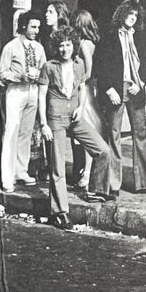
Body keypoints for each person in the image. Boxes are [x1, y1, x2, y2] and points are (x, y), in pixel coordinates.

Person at [37, 26, 114, 229]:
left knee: (103, 150)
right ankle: (59, 213)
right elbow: (41, 96)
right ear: (56, 47)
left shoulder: (79, 64)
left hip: (75, 117)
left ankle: (96, 191)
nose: (65, 49)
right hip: (55, 118)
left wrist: (81, 107)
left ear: (74, 45)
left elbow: (81, 88)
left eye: (68, 44)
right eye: (61, 45)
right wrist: (43, 124)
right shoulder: (49, 66)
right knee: (58, 167)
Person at [93, 1, 146, 198]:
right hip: (116, 88)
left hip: (135, 88)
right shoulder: (109, 37)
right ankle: (113, 184)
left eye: (136, 15)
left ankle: (144, 181)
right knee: (114, 134)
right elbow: (100, 64)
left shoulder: (139, 37)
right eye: (130, 14)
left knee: (141, 133)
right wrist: (109, 89)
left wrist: (141, 83)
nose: (132, 18)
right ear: (121, 14)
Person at [0, 10, 45, 193]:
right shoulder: (11, 47)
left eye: (38, 27)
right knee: (11, 133)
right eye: (33, 27)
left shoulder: (39, 48)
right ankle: (7, 178)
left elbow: (44, 71)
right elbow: (2, 73)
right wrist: (19, 76)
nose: (36, 31)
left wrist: (39, 77)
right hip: (16, 92)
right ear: (24, 26)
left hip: (33, 92)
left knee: (26, 133)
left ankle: (21, 171)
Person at [70, 9, 103, 188]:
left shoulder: (84, 44)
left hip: (87, 90)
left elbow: (88, 70)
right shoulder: (89, 42)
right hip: (89, 88)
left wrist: (77, 82)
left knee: (88, 130)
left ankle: (88, 173)